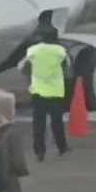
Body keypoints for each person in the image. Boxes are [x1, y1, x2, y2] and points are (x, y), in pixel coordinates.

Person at [18, 27, 71, 161]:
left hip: (37, 90)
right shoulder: (60, 51)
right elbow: (68, 65)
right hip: (55, 91)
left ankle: (39, 151)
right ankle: (62, 147)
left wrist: (31, 74)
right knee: (57, 121)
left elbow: (22, 67)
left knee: (38, 123)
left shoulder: (33, 50)